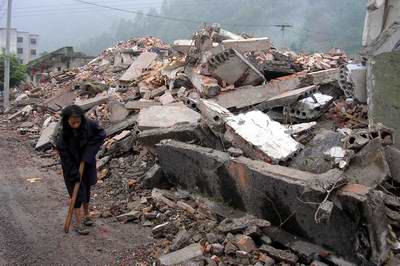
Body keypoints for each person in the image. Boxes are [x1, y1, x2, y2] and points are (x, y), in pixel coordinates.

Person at [55, 105, 106, 235]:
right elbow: (65, 158)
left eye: (78, 122)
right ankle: (78, 223)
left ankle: (87, 215)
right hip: (71, 165)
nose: (76, 125)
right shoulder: (62, 136)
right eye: (73, 123)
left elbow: (101, 134)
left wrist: (88, 152)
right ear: (66, 121)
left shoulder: (89, 124)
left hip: (86, 162)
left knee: (87, 188)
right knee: (76, 193)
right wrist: (73, 173)